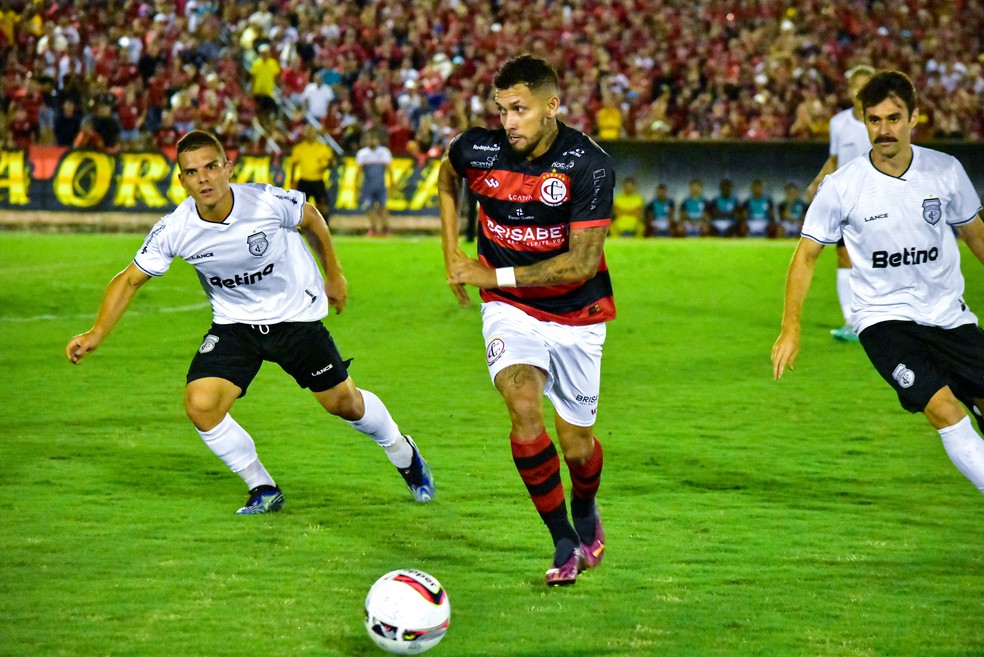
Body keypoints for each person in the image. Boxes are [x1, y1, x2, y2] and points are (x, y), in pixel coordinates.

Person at [65, 130, 434, 515]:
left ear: (228, 167)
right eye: (192, 172)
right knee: (202, 405)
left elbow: (311, 217)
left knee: (345, 404)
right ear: (182, 180)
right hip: (235, 325)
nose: (204, 178)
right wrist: (96, 333)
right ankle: (263, 487)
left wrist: (334, 274)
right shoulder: (175, 228)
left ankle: (403, 453)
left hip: (294, 318)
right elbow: (129, 279)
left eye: (211, 167)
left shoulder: (263, 201)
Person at [438, 54, 614, 586]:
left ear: (551, 106)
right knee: (522, 407)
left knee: (577, 446)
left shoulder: (588, 163)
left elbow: (582, 262)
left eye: (520, 108)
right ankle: (562, 541)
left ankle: (585, 508)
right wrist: (452, 253)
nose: (509, 120)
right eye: (502, 109)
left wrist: (491, 276)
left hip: (578, 314)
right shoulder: (478, 149)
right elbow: (448, 179)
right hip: (511, 313)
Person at [772, 70, 984, 496]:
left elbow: (976, 235)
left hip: (949, 316)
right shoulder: (842, 187)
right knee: (943, 409)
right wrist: (791, 328)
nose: (883, 130)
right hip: (884, 323)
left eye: (893, 118)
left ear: (914, 118)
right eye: (874, 120)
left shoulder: (945, 171)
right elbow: (806, 255)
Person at [806, 65, 875, 343]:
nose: (859, 92)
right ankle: (851, 321)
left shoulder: (882, 122)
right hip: (848, 203)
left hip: (880, 201)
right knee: (845, 258)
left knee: (879, 261)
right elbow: (834, 161)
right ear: (849, 91)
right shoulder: (838, 123)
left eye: (865, 86)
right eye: (855, 86)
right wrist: (816, 183)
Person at [290, 123, 335, 224]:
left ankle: (324, 226)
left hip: (318, 180)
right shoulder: (299, 148)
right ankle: (300, 226)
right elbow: (293, 165)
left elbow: (331, 163)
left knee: (322, 206)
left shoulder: (322, 148)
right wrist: (292, 180)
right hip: (304, 180)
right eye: (308, 131)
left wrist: (325, 165)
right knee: (300, 206)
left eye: (312, 132)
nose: (310, 134)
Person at [355, 130, 393, 236]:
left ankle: (386, 227)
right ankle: (372, 228)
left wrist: (391, 183)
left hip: (381, 185)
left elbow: (389, 170)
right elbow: (358, 172)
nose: (372, 142)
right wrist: (357, 185)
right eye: (370, 139)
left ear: (378, 140)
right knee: (370, 207)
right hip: (368, 185)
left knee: (383, 206)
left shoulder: (384, 152)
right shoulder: (363, 153)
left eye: (374, 139)